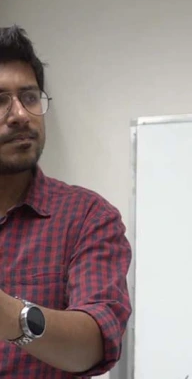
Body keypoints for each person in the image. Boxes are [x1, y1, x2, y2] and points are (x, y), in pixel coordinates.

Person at [0, 25, 132, 377]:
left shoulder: (87, 215)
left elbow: (93, 346)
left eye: (29, 97)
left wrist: (7, 313)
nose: (19, 115)